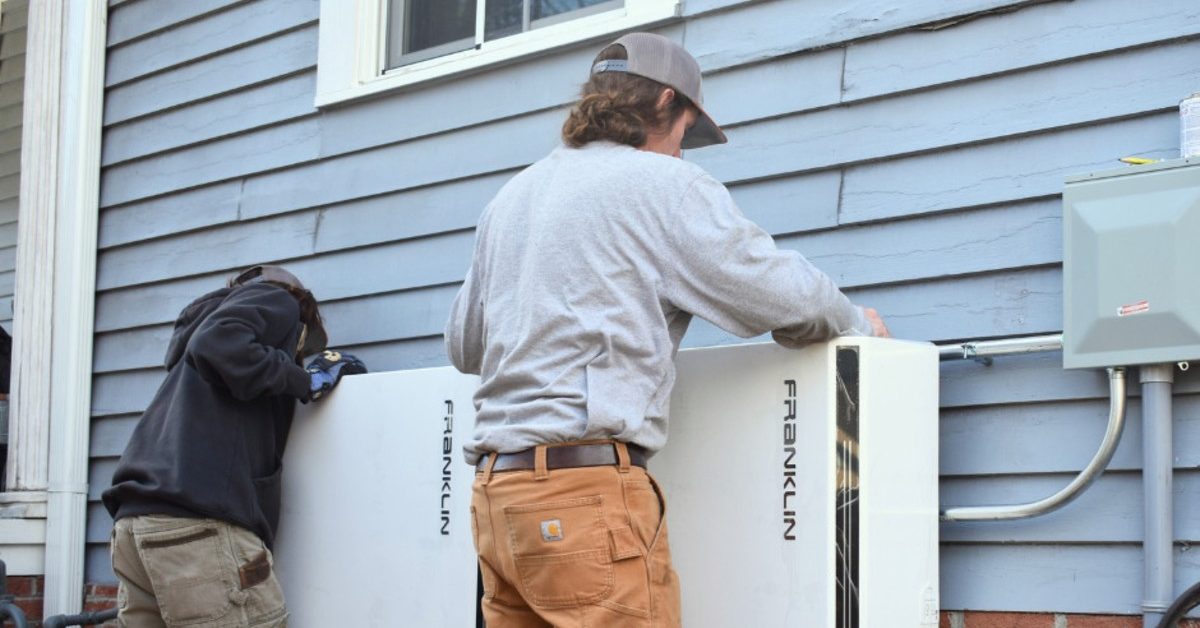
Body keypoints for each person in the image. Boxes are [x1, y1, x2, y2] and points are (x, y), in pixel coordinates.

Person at [445, 32, 889, 628]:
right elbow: (781, 293)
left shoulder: (511, 198)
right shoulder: (662, 185)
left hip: (498, 499)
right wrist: (859, 325)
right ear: (664, 103)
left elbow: (465, 346)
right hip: (582, 499)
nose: (681, 153)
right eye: (685, 133)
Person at [102, 265, 367, 628]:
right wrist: (306, 380)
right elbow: (218, 342)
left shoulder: (188, 376)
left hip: (135, 527)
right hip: (197, 527)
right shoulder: (280, 300)